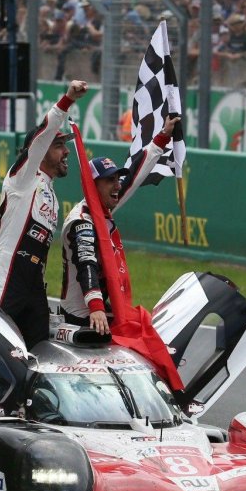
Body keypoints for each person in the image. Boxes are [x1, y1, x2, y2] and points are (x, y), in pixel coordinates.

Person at [0, 79, 87, 346]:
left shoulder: (50, 193)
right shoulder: (23, 178)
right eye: (59, 146)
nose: (66, 152)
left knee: (38, 350)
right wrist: (67, 100)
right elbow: (42, 135)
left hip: (34, 283)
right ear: (40, 152)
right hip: (8, 273)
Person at [61, 118, 177, 333]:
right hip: (80, 317)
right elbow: (87, 263)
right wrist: (96, 308)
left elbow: (132, 177)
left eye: (117, 178)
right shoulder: (81, 221)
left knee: (144, 327)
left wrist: (162, 138)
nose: (118, 185)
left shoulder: (101, 208)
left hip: (97, 310)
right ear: (92, 186)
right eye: (110, 181)